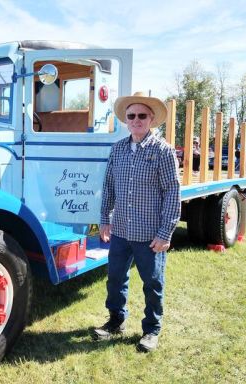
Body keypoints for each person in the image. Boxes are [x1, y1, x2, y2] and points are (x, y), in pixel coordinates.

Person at [93, 91, 181, 353]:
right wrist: (104, 220)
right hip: (120, 229)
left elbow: (172, 193)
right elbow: (109, 186)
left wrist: (166, 233)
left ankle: (151, 330)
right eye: (131, 116)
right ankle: (115, 321)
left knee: (153, 283)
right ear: (126, 120)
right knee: (115, 279)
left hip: (150, 234)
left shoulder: (163, 151)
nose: (136, 120)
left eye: (142, 115)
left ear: (151, 119)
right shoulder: (118, 149)